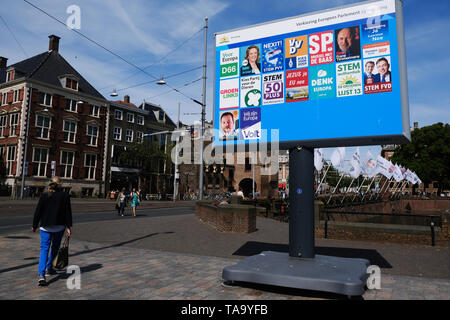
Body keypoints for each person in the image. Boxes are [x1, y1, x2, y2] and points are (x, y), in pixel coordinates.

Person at [32, 176, 72, 286]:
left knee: (44, 249)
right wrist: (68, 227)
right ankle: (50, 268)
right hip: (59, 227)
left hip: (45, 226)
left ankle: (41, 274)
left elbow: (38, 211)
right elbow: (67, 213)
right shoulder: (65, 196)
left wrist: (34, 225)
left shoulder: (44, 195)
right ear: (60, 185)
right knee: (55, 248)